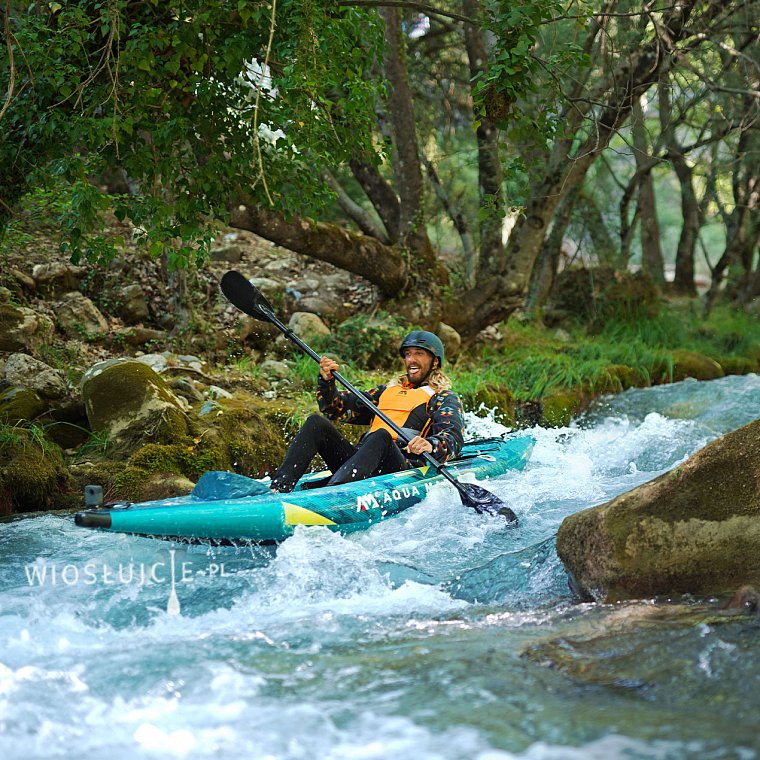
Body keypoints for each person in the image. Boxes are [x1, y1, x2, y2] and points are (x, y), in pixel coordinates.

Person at [269, 331, 465, 493]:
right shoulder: (384, 392)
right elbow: (335, 408)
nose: (411, 360)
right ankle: (279, 488)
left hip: (400, 468)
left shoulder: (443, 398)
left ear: (435, 362)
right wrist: (327, 382)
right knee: (315, 423)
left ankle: (336, 495)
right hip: (361, 464)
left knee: (381, 435)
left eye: (419, 354)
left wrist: (429, 445)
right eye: (408, 354)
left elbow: (453, 439)